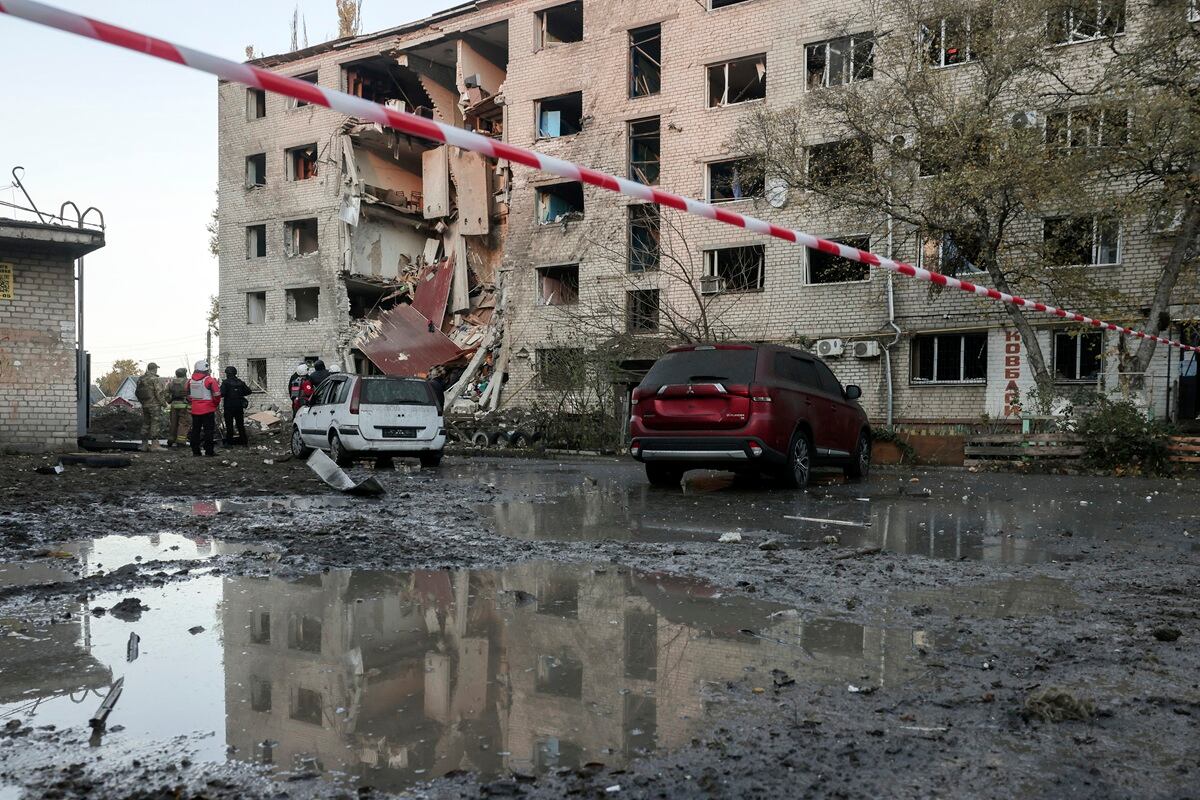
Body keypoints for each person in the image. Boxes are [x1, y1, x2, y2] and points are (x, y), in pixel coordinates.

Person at [187, 360, 222, 457]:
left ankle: (195, 451)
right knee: (208, 431)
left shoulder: (190, 381)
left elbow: (188, 395)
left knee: (195, 430)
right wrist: (215, 404)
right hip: (208, 410)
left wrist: (193, 403)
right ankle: (209, 451)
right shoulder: (210, 380)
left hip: (195, 410)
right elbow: (217, 395)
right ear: (206, 369)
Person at [135, 362, 167, 451]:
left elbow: (137, 392)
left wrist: (143, 402)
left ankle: (144, 445)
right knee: (155, 423)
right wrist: (164, 404)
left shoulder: (141, 379)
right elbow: (159, 393)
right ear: (155, 369)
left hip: (145, 404)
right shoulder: (154, 379)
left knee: (146, 423)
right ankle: (155, 445)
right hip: (154, 405)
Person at [221, 366, 251, 446]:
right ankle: (244, 442)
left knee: (229, 425)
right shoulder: (240, 382)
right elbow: (248, 391)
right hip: (239, 406)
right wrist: (240, 394)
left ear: (227, 373)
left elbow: (222, 394)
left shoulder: (226, 383)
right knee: (240, 425)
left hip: (229, 407)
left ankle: (229, 443)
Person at [166, 367, 190, 447]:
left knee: (173, 422)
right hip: (184, 405)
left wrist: (169, 400)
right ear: (184, 374)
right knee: (183, 423)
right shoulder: (188, 382)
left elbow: (166, 394)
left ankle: (171, 439)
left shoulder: (171, 383)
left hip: (174, 405)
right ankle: (181, 441)